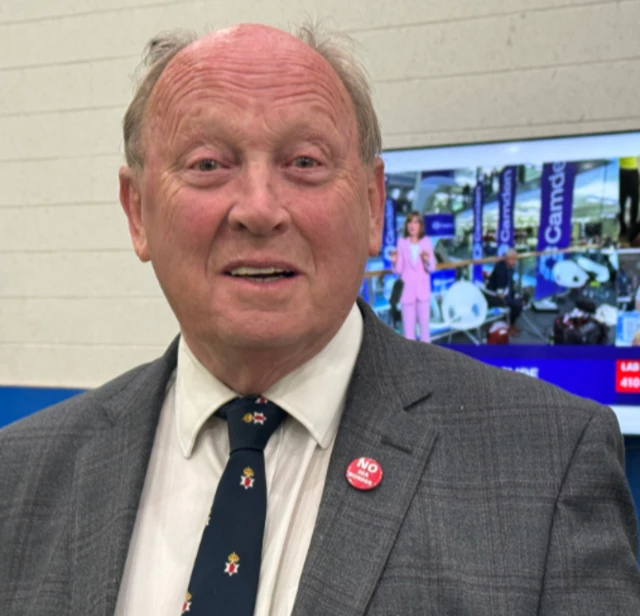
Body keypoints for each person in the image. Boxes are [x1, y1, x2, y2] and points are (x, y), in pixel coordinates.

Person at [1, 23, 639, 616]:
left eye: (304, 162)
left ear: (370, 206)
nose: (258, 209)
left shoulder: (548, 463)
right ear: (137, 210)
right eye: (207, 164)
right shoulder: (21, 474)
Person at [390, 211, 435, 342]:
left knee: (425, 331)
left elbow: (431, 267)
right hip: (407, 293)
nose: (412, 225)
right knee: (408, 334)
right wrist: (394, 261)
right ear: (406, 225)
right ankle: (411, 361)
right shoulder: (401, 243)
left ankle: (426, 359)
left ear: (420, 225)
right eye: (410, 222)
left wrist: (427, 260)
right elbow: (398, 270)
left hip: (422, 292)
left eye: (416, 222)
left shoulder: (426, 242)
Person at [486, 247, 524, 335]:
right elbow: (500, 289)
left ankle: (510, 322)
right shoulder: (500, 267)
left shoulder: (510, 268)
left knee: (521, 299)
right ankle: (510, 325)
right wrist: (511, 298)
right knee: (517, 305)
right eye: (512, 259)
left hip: (504, 293)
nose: (514, 262)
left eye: (515, 259)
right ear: (507, 258)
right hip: (495, 296)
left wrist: (515, 294)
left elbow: (510, 284)